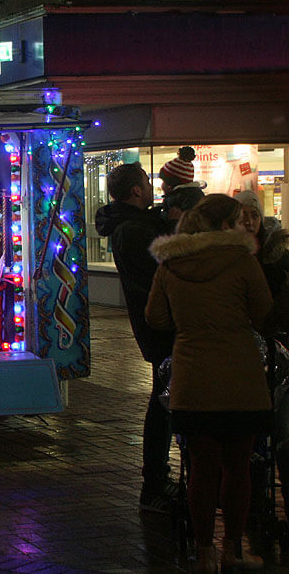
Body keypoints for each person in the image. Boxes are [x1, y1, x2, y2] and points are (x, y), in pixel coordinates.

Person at [146, 194, 273, 571]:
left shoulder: (170, 263)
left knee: (202, 467)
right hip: (241, 377)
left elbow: (156, 317)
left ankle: (203, 552)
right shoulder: (242, 261)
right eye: (237, 220)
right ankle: (232, 549)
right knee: (238, 467)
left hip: (193, 376)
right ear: (224, 226)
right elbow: (263, 311)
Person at [93, 162, 177, 513]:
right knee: (163, 402)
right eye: (147, 181)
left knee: (165, 399)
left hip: (157, 326)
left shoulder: (133, 226)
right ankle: (155, 480)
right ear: (137, 191)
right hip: (161, 327)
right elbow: (166, 270)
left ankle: (157, 477)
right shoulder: (134, 230)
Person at [235, 190, 289, 559]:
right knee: (255, 438)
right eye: (241, 215)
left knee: (285, 435)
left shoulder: (279, 259)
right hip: (245, 362)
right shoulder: (227, 260)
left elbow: (281, 313)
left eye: (253, 215)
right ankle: (258, 499)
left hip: (282, 359)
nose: (248, 222)